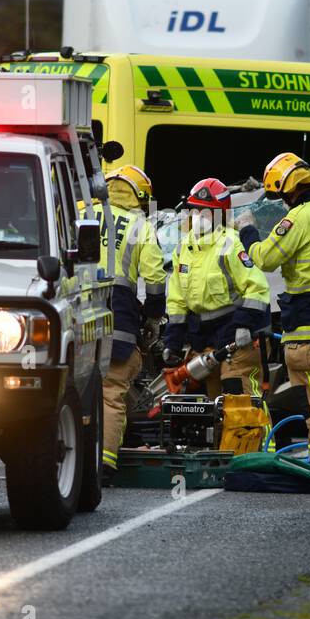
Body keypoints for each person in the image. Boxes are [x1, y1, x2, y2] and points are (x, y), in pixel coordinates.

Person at [237, 153, 310, 477]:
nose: (283, 203)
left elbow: (263, 258)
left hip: (309, 327)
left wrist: (247, 230)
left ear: (291, 191)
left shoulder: (298, 219)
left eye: (282, 196)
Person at [164, 178, 271, 398]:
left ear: (219, 215)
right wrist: (172, 342)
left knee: (239, 403)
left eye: (205, 213)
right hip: (202, 342)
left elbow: (257, 288)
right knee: (211, 410)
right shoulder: (183, 248)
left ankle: (258, 434)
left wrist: (243, 326)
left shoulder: (232, 243)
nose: (198, 217)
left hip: (235, 339)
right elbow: (177, 300)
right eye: (195, 211)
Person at [97, 166, 167, 482]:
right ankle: (104, 464)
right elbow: (154, 280)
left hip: (71, 311)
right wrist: (152, 317)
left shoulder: (80, 212)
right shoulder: (141, 227)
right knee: (111, 390)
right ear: (140, 196)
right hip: (118, 315)